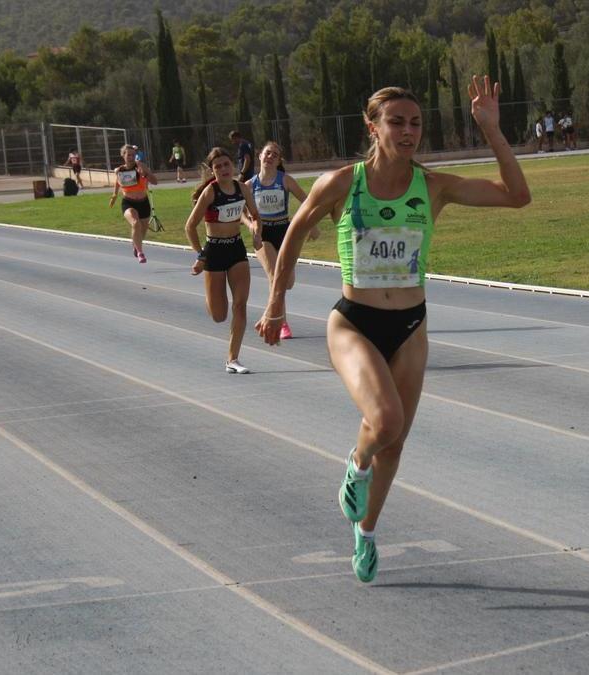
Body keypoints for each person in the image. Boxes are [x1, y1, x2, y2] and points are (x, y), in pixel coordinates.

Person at [256, 78, 530, 583]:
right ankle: (356, 464)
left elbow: (518, 196)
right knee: (383, 423)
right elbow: (294, 231)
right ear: (373, 126)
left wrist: (492, 130)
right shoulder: (341, 183)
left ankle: (366, 532)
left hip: (411, 324)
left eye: (416, 123)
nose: (408, 132)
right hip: (354, 322)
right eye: (397, 122)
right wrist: (276, 303)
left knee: (397, 441)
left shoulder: (433, 186)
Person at [185, 147, 262, 374]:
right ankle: (211, 295)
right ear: (212, 170)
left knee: (240, 304)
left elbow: (255, 216)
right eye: (218, 166)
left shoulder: (242, 188)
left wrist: (256, 233)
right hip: (214, 251)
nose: (223, 169)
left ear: (233, 166)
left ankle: (233, 359)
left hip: (236, 250)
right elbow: (190, 227)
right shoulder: (211, 192)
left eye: (226, 164)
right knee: (220, 315)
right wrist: (201, 254)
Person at [245, 141, 319, 340]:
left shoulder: (285, 180)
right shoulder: (250, 185)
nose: (270, 157)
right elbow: (241, 211)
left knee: (287, 282)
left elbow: (308, 201)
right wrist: (250, 224)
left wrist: (311, 224)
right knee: (274, 275)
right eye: (267, 153)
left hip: (284, 231)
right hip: (263, 234)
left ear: (278, 161)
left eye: (274, 155)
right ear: (260, 156)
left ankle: (270, 313)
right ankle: (281, 321)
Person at [108, 144, 157, 263]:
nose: (131, 157)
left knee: (142, 230)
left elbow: (155, 182)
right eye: (128, 155)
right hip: (128, 203)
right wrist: (114, 195)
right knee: (135, 223)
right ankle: (140, 253)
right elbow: (117, 182)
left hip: (143, 202)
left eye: (133, 155)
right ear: (123, 155)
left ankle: (136, 245)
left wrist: (144, 174)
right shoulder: (120, 170)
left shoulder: (141, 166)